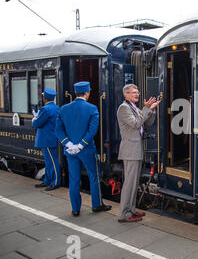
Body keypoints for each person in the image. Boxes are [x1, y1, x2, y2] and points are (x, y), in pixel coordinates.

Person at [55, 81, 111, 217]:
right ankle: (96, 205)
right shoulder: (92, 108)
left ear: (76, 93)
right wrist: (80, 145)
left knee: (74, 179)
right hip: (86, 150)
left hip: (70, 152)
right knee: (93, 176)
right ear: (87, 93)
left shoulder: (63, 108)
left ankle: (75, 209)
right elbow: (92, 131)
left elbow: (58, 130)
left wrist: (69, 144)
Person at [117, 84, 160, 223]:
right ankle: (124, 214)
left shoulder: (133, 107)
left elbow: (145, 123)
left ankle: (132, 210)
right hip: (130, 151)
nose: (137, 94)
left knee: (134, 183)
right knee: (129, 184)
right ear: (126, 95)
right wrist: (146, 108)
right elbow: (136, 124)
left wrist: (151, 110)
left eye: (137, 92)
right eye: (133, 92)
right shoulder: (124, 108)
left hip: (136, 150)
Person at [32, 88, 61, 191]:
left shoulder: (45, 109)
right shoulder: (57, 108)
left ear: (44, 98)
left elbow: (36, 123)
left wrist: (34, 118)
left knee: (52, 161)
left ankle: (55, 181)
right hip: (52, 137)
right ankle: (47, 180)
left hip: (46, 138)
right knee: (49, 161)